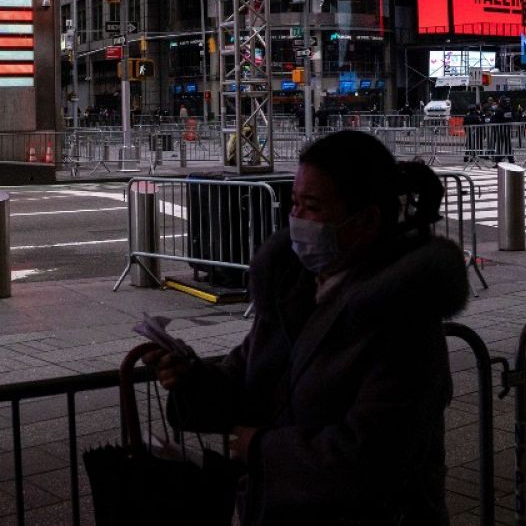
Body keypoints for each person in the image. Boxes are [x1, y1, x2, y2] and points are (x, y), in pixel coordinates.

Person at [147, 131, 470, 525]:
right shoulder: (293, 290)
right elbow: (246, 377)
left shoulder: (402, 313)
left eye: (312, 207)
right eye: (295, 203)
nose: (297, 219)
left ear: (366, 220)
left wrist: (261, 449)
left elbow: (374, 454)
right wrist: (191, 378)